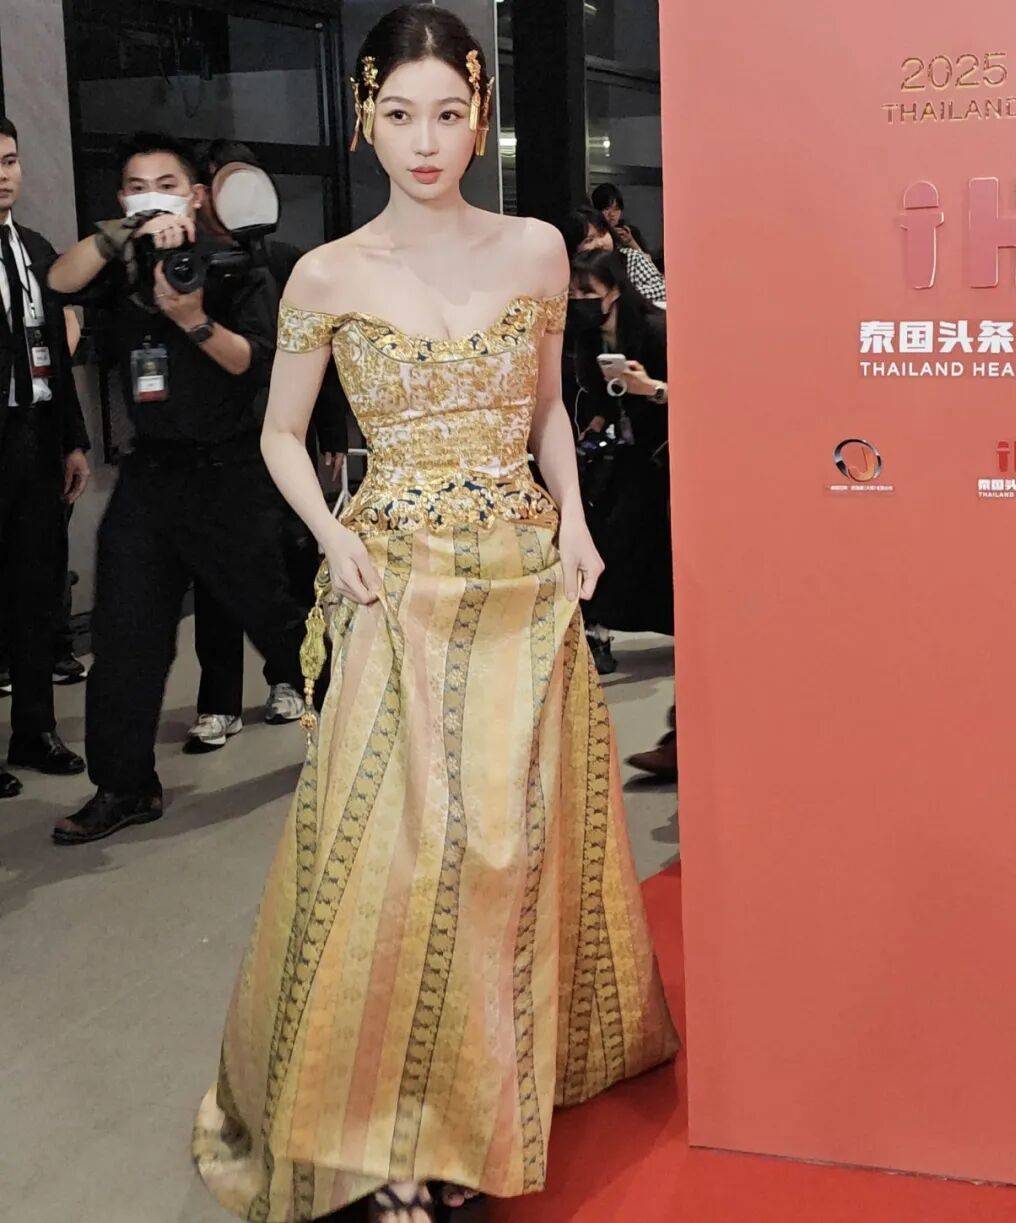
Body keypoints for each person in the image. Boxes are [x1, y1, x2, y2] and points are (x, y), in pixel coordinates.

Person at [190, 7, 679, 1221]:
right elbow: (281, 433)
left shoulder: (536, 250)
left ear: (480, 117)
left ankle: (481, 1098)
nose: (425, 140)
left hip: (520, 578)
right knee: (404, 852)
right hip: (394, 582)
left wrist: (575, 519)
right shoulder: (327, 272)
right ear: (365, 119)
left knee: (507, 848)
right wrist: (335, 533)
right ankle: (396, 1133)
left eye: (449, 114)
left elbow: (549, 409)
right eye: (400, 114)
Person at [46, 132, 306, 844]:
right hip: (150, 475)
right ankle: (125, 785)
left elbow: (254, 362)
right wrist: (120, 234)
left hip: (229, 476)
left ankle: (361, 731)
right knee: (125, 632)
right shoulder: (119, 263)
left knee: (280, 620)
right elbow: (59, 282)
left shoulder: (236, 259)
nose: (152, 196)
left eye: (166, 184)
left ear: (196, 194)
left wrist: (192, 320)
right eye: (136, 187)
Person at [182, 139, 349, 752]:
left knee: (291, 565)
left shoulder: (286, 261)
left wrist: (332, 431)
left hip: (286, 438)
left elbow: (324, 353)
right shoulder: (188, 265)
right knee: (215, 576)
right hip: (215, 443)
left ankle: (290, 680)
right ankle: (217, 701)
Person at [0, 116, 91, 801]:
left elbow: (56, 352)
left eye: (9, 161)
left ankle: (35, 730)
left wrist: (74, 440)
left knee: (36, 590)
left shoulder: (34, 249)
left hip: (34, 436)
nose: (3, 176)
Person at [567, 248, 673, 675]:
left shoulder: (656, 330)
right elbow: (601, 400)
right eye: (573, 293)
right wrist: (596, 420)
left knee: (659, 542)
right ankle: (598, 632)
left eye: (587, 291)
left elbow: (697, 396)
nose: (579, 301)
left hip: (667, 453)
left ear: (613, 291)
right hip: (628, 453)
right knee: (609, 533)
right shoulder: (588, 339)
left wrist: (651, 388)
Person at [559, 204, 666, 307]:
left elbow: (663, 290)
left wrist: (621, 294)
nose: (600, 243)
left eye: (602, 234)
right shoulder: (574, 274)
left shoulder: (631, 258)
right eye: (589, 240)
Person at [591, 182, 652, 259]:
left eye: (616, 209)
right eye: (606, 209)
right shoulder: (593, 234)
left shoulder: (630, 232)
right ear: (596, 210)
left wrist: (631, 242)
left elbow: (649, 263)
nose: (612, 214)